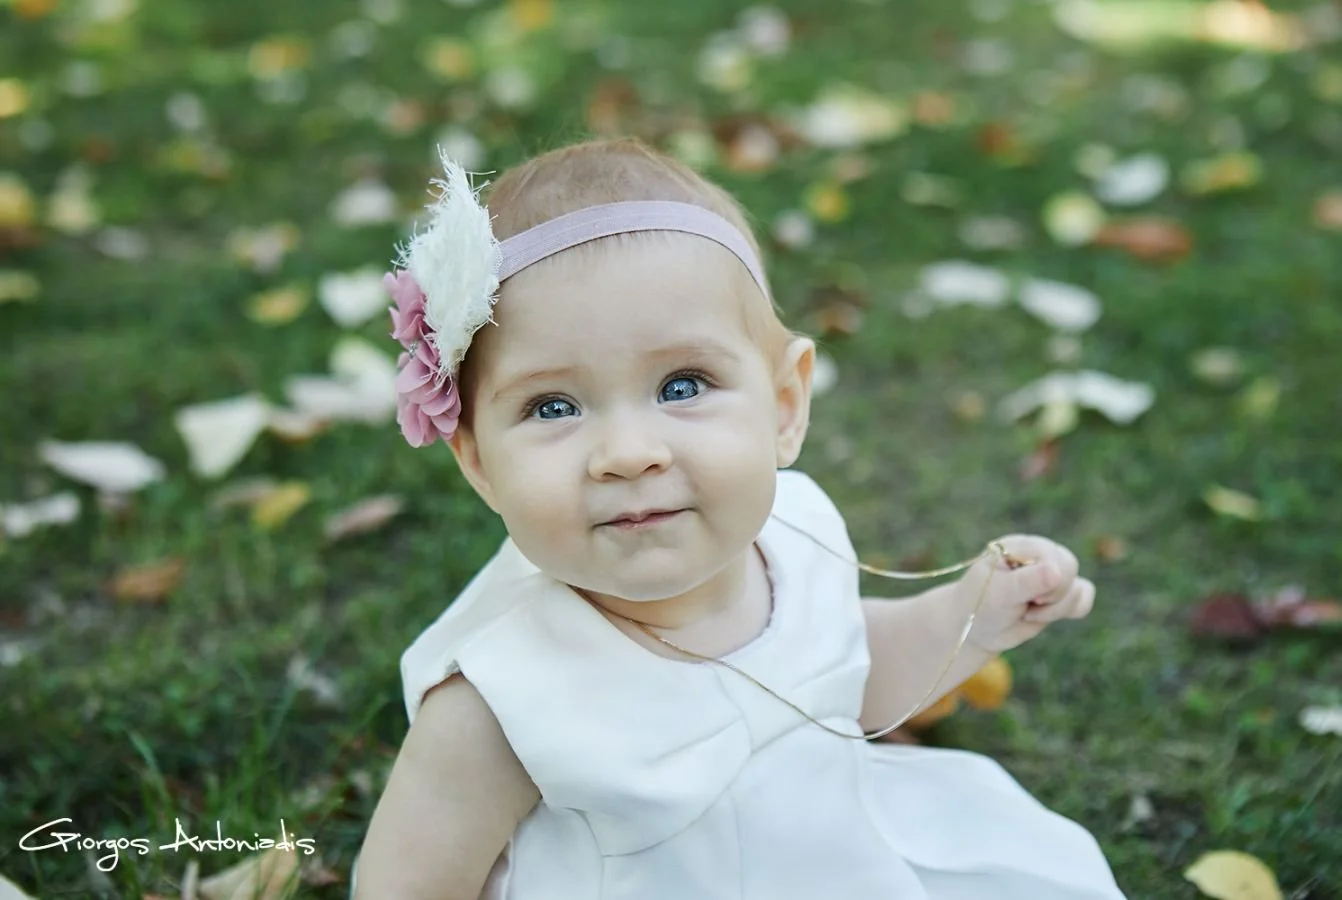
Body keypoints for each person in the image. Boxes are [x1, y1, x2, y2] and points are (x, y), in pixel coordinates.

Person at [353, 137, 1127, 900]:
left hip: (838, 855)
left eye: (683, 386)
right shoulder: (499, 697)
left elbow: (842, 683)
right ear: (480, 462)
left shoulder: (797, 526)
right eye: (553, 406)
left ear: (785, 407)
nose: (628, 453)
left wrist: (970, 617)